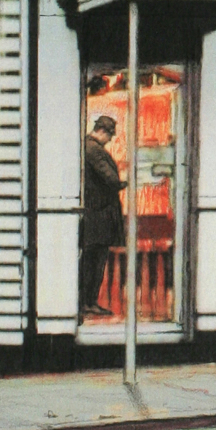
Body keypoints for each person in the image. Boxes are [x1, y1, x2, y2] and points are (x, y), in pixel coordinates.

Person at [80, 115, 126, 317]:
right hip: (98, 217)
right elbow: (111, 180)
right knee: (94, 262)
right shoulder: (94, 150)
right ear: (102, 131)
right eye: (110, 135)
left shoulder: (88, 147)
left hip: (94, 216)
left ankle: (87, 302)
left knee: (92, 261)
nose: (110, 139)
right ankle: (88, 303)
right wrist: (125, 181)